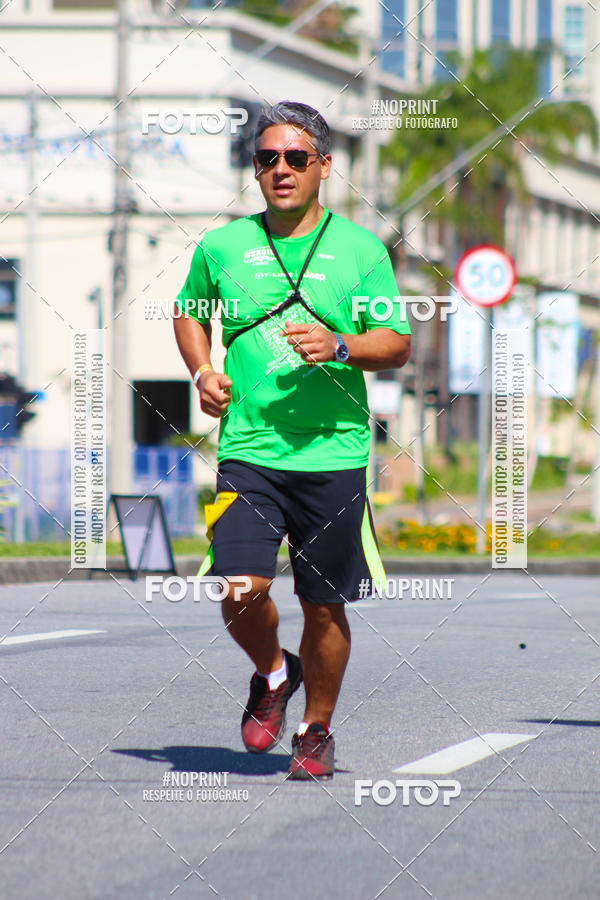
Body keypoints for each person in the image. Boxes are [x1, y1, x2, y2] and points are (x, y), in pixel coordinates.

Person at [173, 101, 411, 780]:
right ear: (255, 169)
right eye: (267, 158)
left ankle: (315, 730)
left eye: (296, 158)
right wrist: (202, 371)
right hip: (249, 450)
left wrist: (340, 346)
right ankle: (275, 672)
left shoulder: (360, 250)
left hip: (334, 454)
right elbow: (188, 313)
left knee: (323, 605)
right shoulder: (222, 247)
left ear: (323, 167)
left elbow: (395, 343)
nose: (281, 169)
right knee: (238, 586)